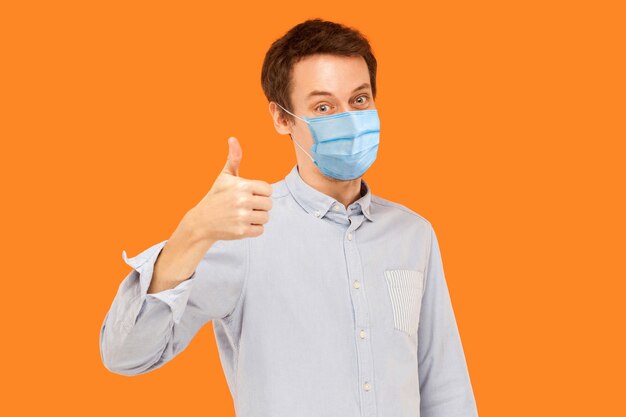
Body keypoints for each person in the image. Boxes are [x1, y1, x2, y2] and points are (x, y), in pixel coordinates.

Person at [99, 18, 479, 417]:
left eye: (360, 100)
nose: (348, 119)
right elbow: (125, 355)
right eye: (323, 106)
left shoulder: (413, 234)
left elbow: (444, 384)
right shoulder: (242, 230)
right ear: (282, 119)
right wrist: (191, 234)